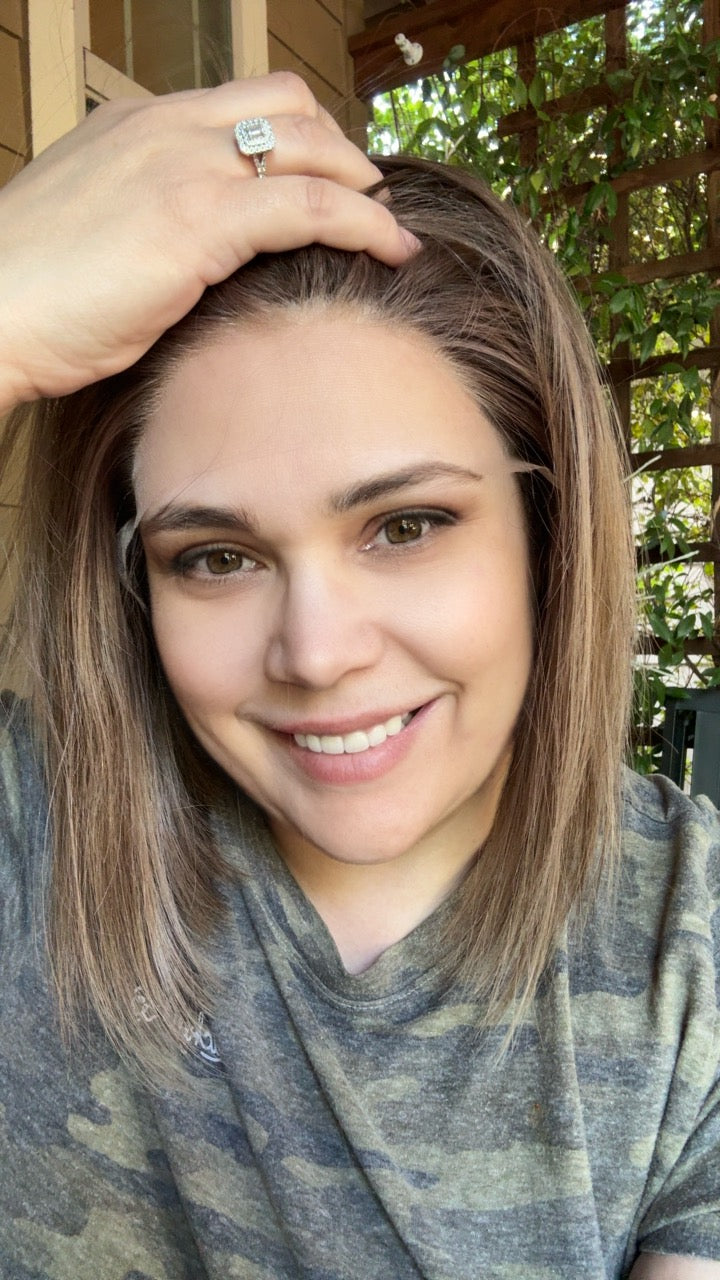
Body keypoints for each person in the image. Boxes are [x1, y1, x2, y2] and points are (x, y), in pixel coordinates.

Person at [0, 71, 717, 1280]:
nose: (318, 652)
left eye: (407, 525)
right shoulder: (34, 830)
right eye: (215, 556)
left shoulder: (686, 951)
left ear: (548, 536)